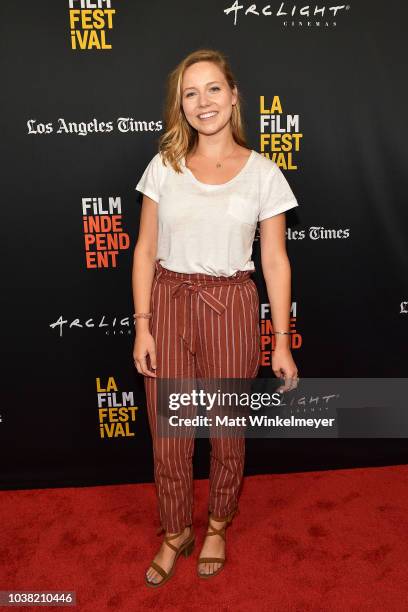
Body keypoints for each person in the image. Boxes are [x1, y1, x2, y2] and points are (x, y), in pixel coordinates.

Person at [132, 48, 299, 587]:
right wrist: (143, 323)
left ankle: (219, 523)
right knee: (171, 434)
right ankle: (176, 528)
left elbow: (273, 258)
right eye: (190, 92)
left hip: (231, 306)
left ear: (233, 96)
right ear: (180, 106)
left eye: (212, 89)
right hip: (169, 302)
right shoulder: (165, 165)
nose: (203, 102)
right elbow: (144, 249)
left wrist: (280, 341)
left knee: (226, 431)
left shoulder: (263, 173)